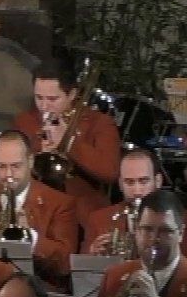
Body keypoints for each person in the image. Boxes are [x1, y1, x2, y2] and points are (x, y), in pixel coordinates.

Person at [0, 130, 80, 286]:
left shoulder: (60, 203)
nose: (8, 175)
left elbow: (65, 264)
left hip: (33, 293)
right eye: (1, 166)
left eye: (15, 166)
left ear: (30, 162)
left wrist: (31, 237)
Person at [12, 51, 121, 222]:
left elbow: (110, 172)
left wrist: (70, 143)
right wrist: (37, 153)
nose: (44, 106)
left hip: (81, 214)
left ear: (72, 94)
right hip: (36, 212)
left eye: (53, 99)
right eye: (38, 98)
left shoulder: (99, 122)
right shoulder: (25, 121)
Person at [82, 148, 187, 266]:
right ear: (120, 184)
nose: (137, 191)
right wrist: (92, 256)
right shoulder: (98, 220)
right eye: (129, 182)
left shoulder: (184, 221)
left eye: (143, 181)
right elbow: (81, 276)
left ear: (158, 181)